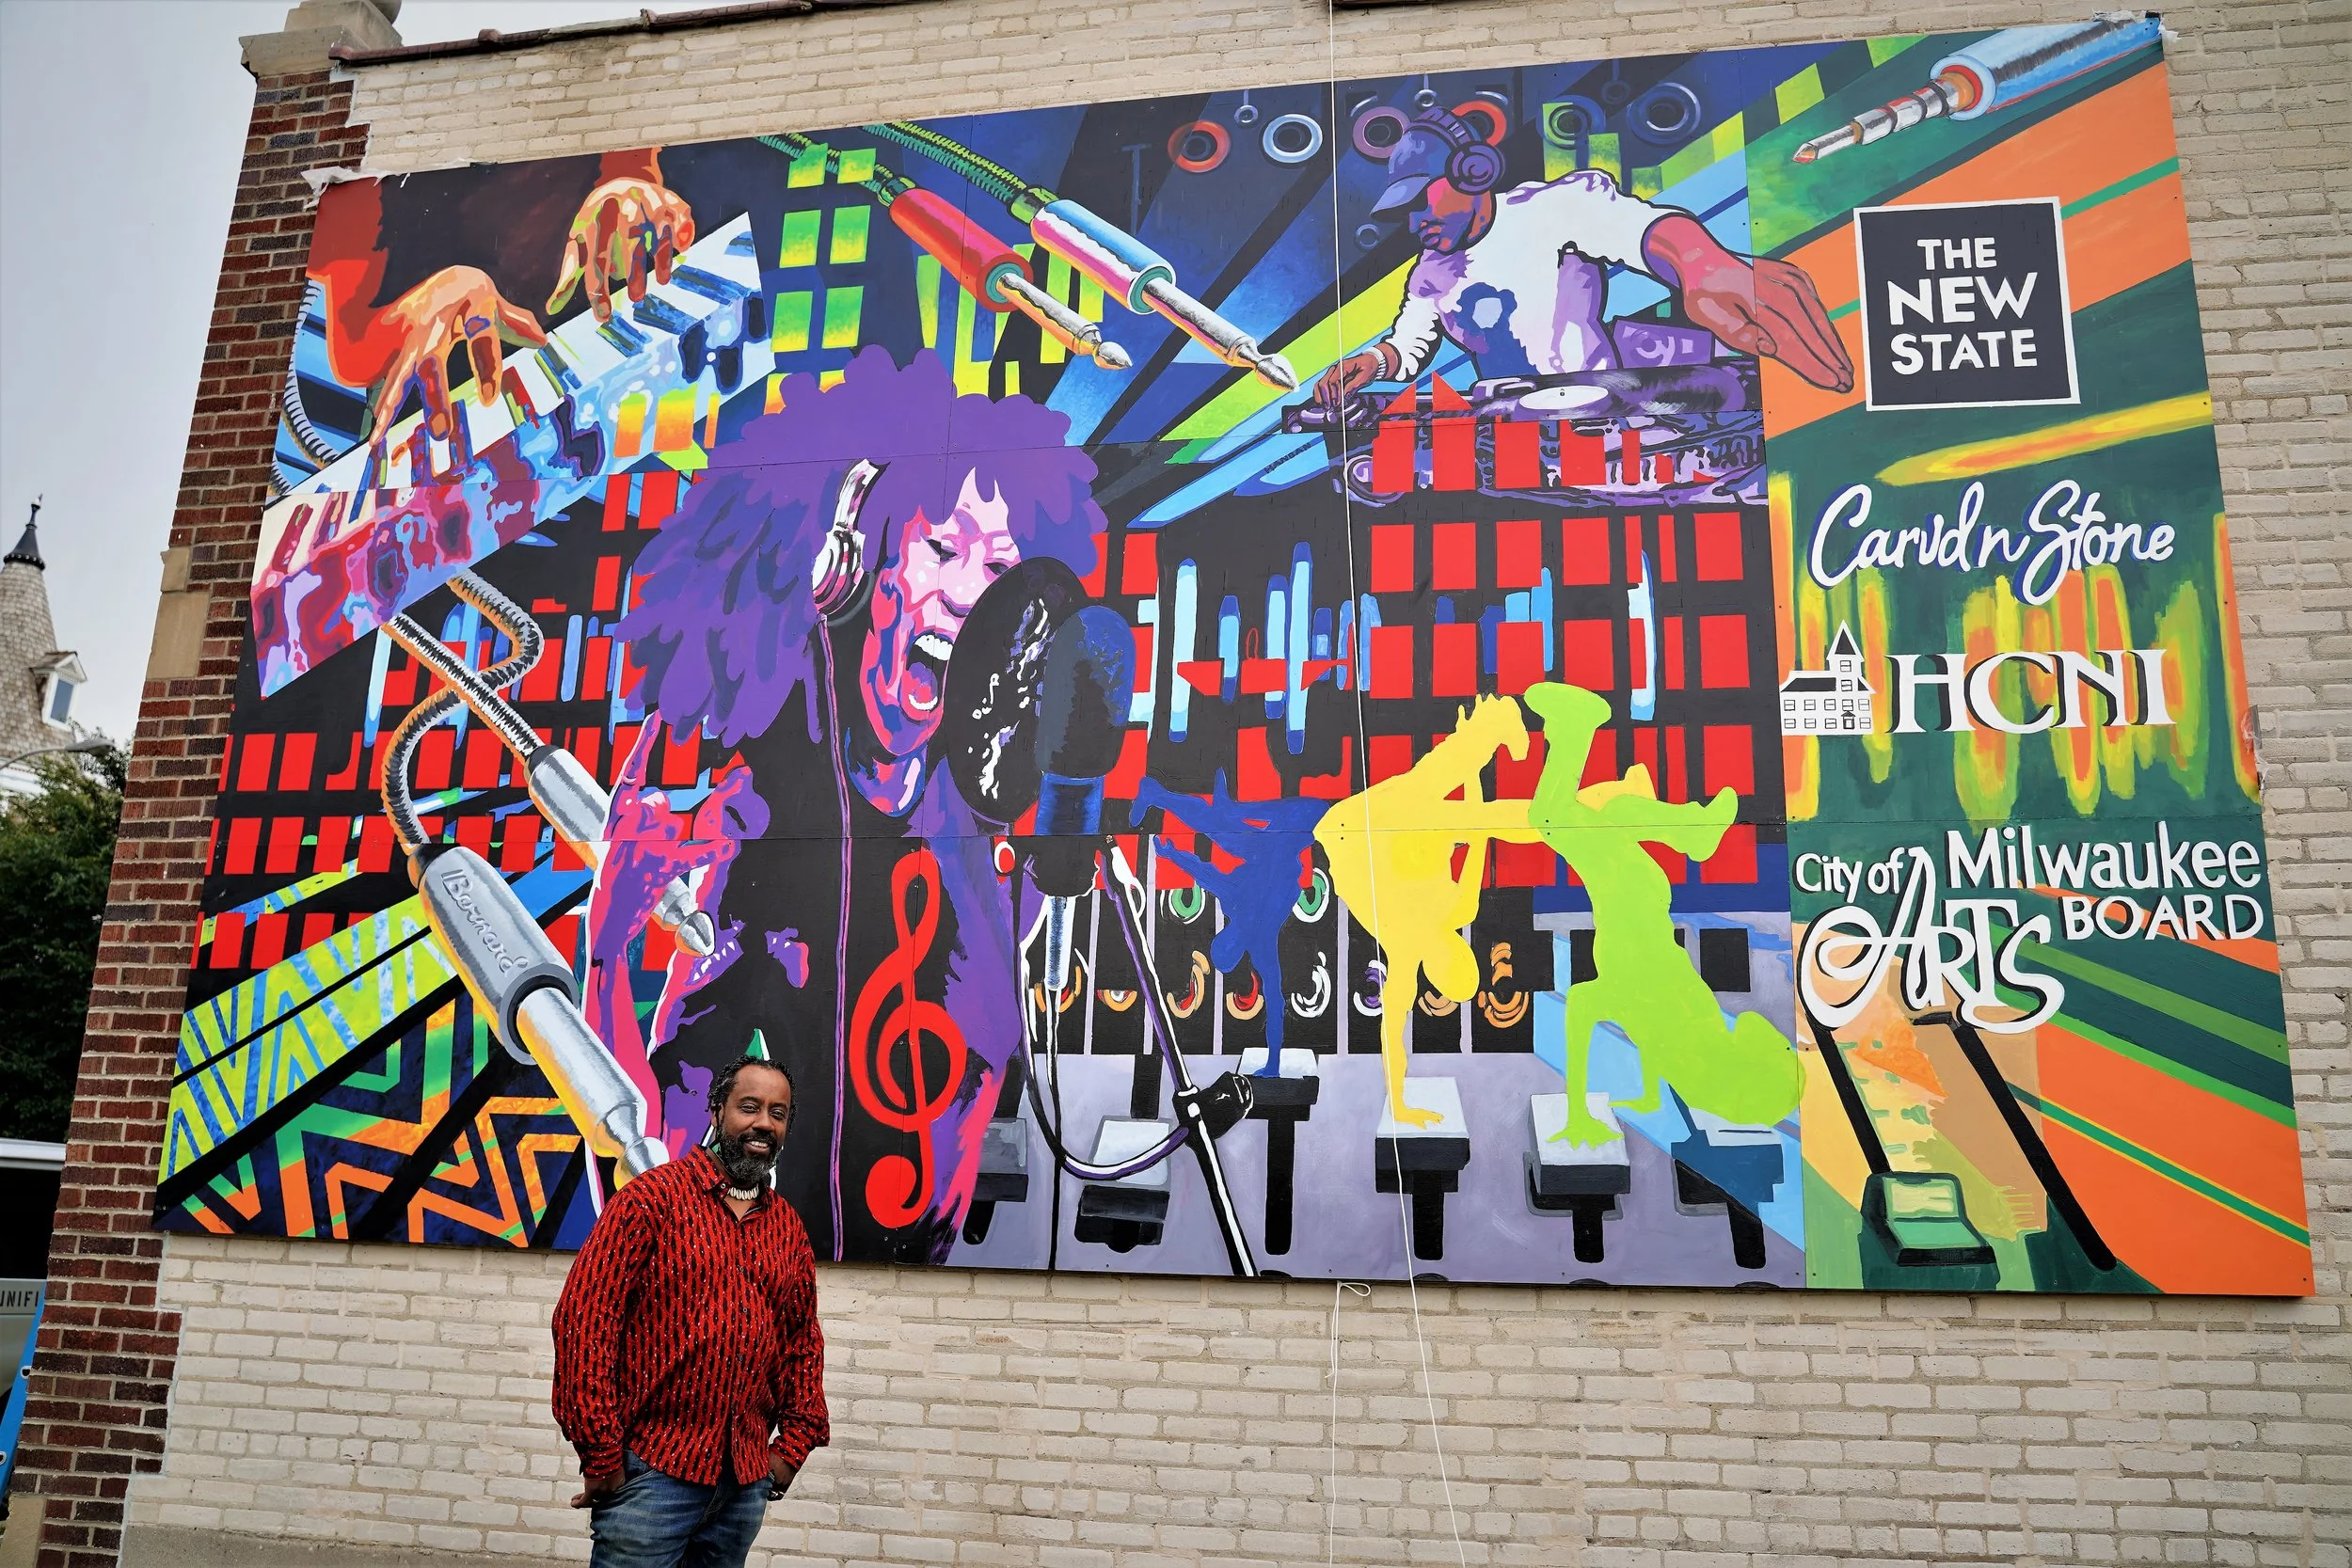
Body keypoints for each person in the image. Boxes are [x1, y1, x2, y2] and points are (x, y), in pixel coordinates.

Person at [1316, 106, 1852, 404]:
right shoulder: (1428, 275)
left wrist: (1699, 262)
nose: (1415, 224)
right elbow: (1409, 346)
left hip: (1601, 418)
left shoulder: (1552, 209)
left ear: (1473, 173)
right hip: (1500, 432)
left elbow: (1631, 227)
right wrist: (1373, 362)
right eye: (1403, 214)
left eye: (1419, 202)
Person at [551, 1052, 828, 1568]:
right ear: (717, 1109)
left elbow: (801, 1345)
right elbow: (585, 1321)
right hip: (653, 1474)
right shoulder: (651, 1200)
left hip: (743, 1486)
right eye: (750, 1107)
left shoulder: (788, 1228)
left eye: (778, 1113)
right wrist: (601, 1452)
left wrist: (792, 1449)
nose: (764, 1123)